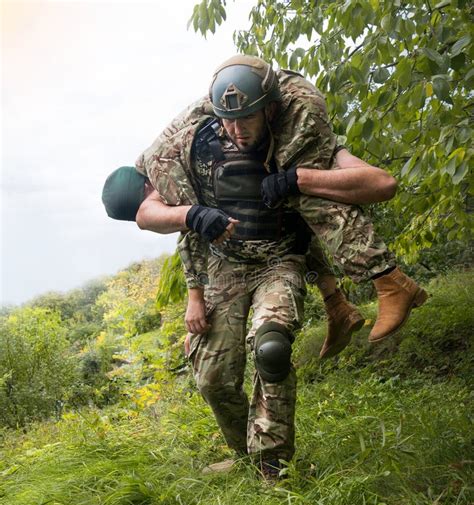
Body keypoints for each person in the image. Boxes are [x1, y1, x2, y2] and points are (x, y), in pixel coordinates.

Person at [102, 56, 426, 479]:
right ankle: (244, 455)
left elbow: (378, 185)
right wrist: (195, 229)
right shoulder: (191, 148)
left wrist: (300, 178)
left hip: (280, 260)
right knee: (212, 379)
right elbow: (158, 219)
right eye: (228, 121)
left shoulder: (304, 137)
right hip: (226, 267)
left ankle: (272, 465)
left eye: (247, 119)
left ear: (271, 108)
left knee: (270, 348)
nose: (237, 131)